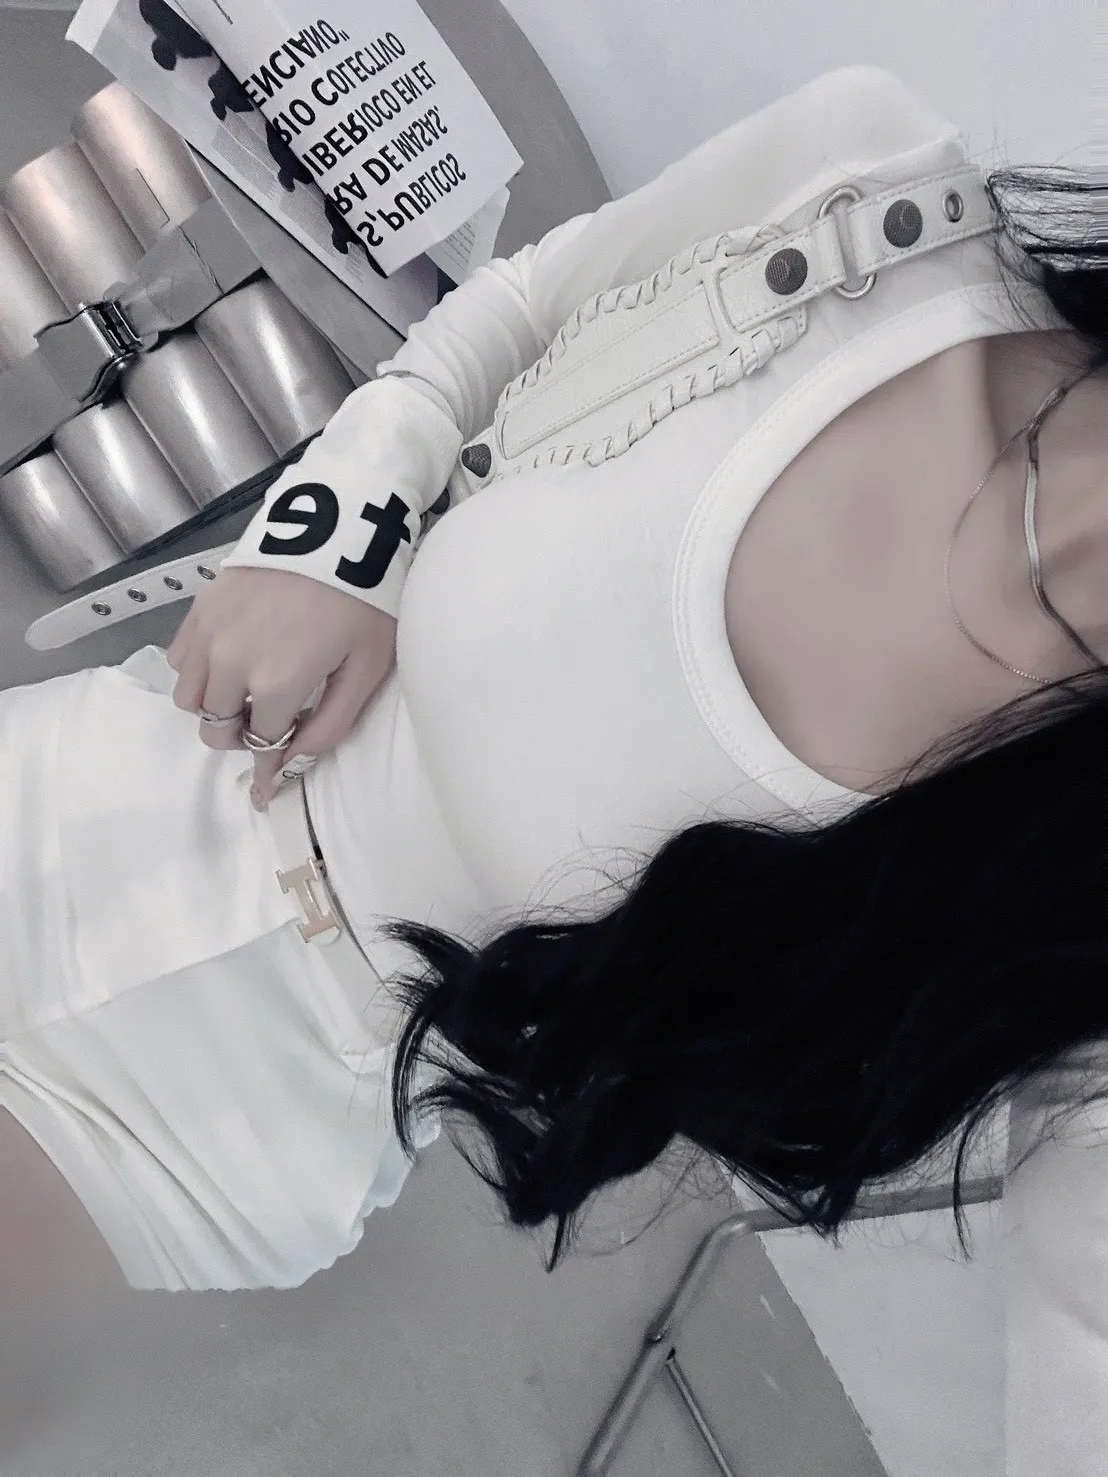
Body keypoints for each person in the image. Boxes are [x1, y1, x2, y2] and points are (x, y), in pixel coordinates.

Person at [1, 58, 1107, 1466]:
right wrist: (336, 534)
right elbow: (519, 307)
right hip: (109, 783)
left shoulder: (1072, 908)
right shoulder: (887, 199)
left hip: (221, 1137)